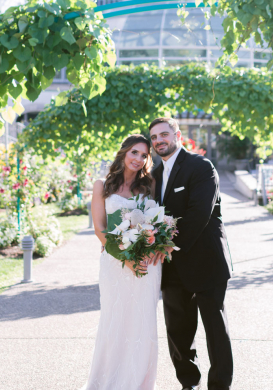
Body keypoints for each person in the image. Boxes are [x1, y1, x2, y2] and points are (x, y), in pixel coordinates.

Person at [148, 118, 233, 390]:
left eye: (164, 134)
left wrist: (166, 245)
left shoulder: (201, 167)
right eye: (154, 137)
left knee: (215, 330)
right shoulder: (155, 176)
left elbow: (199, 214)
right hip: (171, 267)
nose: (159, 140)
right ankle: (189, 383)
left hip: (206, 262)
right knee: (178, 332)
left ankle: (219, 385)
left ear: (177, 135)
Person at [83, 134, 160, 389]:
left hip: (146, 264)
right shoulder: (101, 185)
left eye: (144, 155)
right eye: (134, 152)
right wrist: (125, 259)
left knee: (142, 321)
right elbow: (100, 229)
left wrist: (151, 245)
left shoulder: (148, 186)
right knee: (114, 320)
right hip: (115, 264)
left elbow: (154, 223)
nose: (138, 159)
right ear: (124, 152)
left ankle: (138, 382)